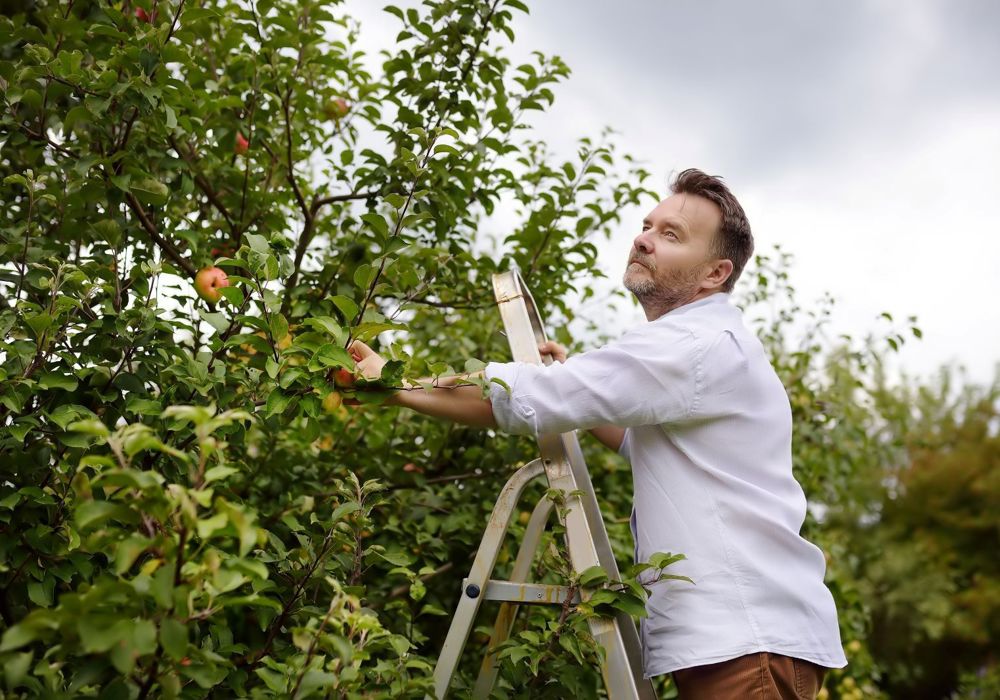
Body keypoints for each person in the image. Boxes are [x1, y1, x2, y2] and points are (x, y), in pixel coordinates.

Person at [348, 168, 847, 698]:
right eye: (647, 225)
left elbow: (525, 398)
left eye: (671, 235)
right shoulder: (705, 345)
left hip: (747, 646)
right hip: (745, 639)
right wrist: (578, 391)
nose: (643, 237)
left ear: (714, 273)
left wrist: (397, 383)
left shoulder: (694, 345)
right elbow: (648, 445)